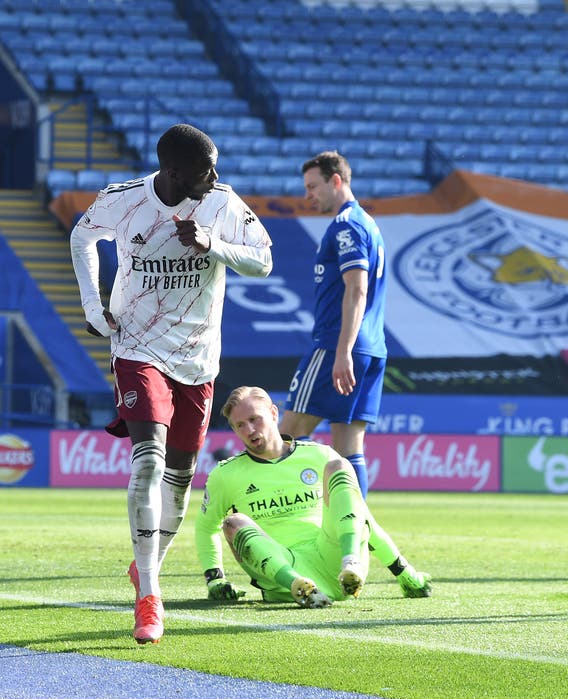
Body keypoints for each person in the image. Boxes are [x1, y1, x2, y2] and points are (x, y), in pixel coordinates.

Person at [70, 124, 273, 644]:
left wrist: (214, 244)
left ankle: (147, 565)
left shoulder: (222, 203)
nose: (216, 177)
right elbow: (82, 235)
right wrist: (94, 305)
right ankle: (149, 597)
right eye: (207, 170)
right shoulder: (123, 200)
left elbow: (264, 260)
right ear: (174, 172)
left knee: (180, 478)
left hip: (198, 358)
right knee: (150, 460)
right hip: (136, 345)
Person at [196, 386, 431, 607]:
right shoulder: (225, 475)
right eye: (240, 425)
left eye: (254, 419)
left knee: (339, 465)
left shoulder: (319, 455)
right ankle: (299, 587)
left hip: (333, 559)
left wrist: (405, 572)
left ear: (273, 413)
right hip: (283, 574)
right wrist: (215, 579)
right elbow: (207, 528)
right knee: (233, 523)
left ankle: (351, 561)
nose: (249, 430)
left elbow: (363, 519)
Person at [280, 151, 386, 499]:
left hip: (336, 345)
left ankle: (271, 518)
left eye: (313, 186)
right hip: (371, 346)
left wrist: (341, 352)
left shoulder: (346, 225)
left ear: (336, 181)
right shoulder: (369, 224)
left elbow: (357, 289)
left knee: (283, 436)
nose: (308, 195)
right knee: (348, 448)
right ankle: (356, 531)